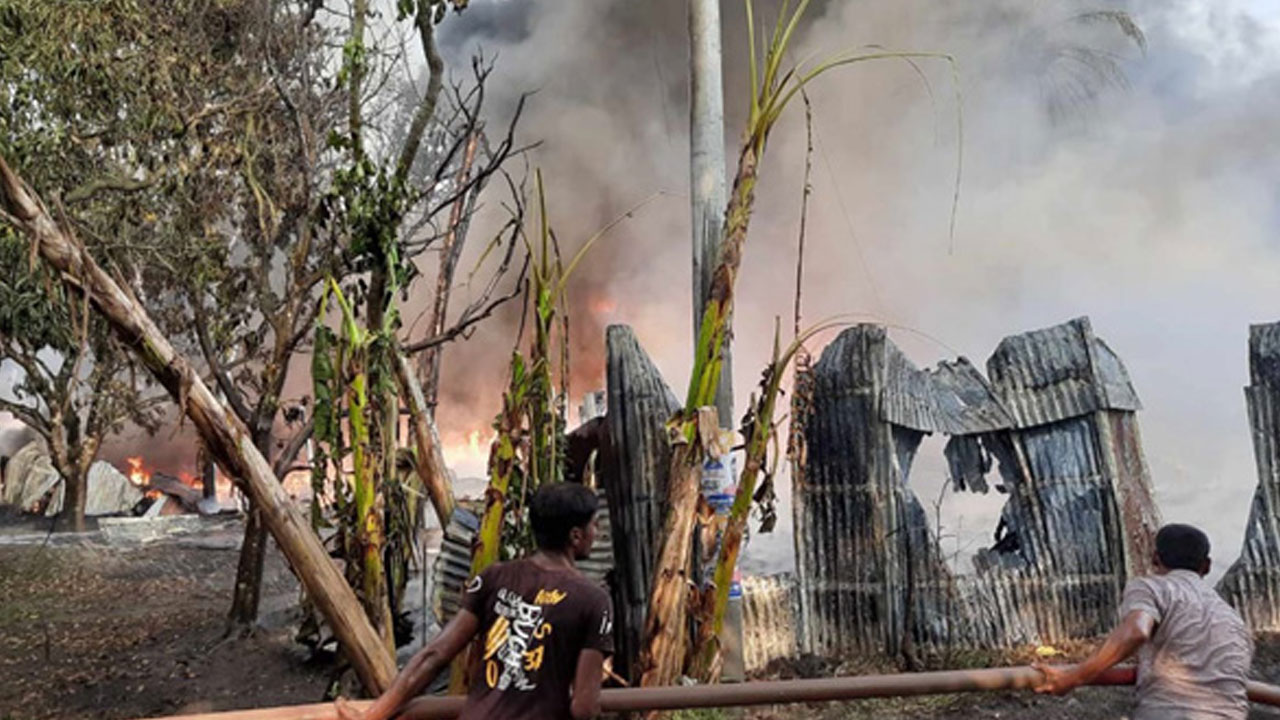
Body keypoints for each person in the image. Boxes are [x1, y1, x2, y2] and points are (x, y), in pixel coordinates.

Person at [337, 481, 613, 720]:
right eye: (593, 524)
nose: (597, 531)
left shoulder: (494, 577)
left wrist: (371, 715)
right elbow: (584, 708)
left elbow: (433, 657)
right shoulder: (593, 600)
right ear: (575, 536)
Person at [1034, 523, 1254, 719]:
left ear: (1155, 558)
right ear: (1206, 566)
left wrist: (1072, 678)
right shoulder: (1233, 618)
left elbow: (1136, 631)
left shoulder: (1154, 587)